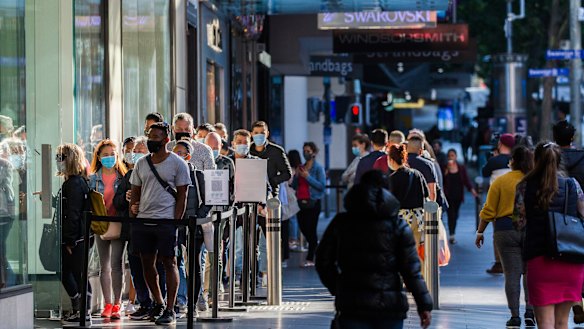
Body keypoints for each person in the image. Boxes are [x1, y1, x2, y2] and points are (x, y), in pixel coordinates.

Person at [316, 170, 433, 329]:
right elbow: (411, 270)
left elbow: (323, 260)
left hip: (352, 305)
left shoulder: (341, 222)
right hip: (390, 308)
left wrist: (337, 286)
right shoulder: (398, 226)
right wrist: (423, 305)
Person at [513, 142, 584, 329]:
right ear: (559, 161)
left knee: (545, 323)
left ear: (535, 160)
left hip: (540, 260)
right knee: (562, 323)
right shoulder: (572, 186)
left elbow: (519, 222)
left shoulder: (523, 187)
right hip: (570, 260)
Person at [129, 122, 191, 325]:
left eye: (155, 136)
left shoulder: (177, 164)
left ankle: (171, 308)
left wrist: (176, 221)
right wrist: (133, 209)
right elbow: (135, 191)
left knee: (169, 262)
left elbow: (182, 195)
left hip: (166, 221)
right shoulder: (141, 164)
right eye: (149, 135)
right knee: (147, 263)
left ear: (166, 140)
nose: (151, 140)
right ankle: (159, 302)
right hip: (144, 220)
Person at [476, 146, 535, 328]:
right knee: (529, 273)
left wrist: (480, 231)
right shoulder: (534, 181)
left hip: (504, 230)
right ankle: (530, 313)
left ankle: (515, 316)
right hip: (531, 230)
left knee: (511, 274)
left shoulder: (501, 182)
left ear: (513, 161)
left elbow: (489, 209)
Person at [88, 139, 128, 319]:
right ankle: (107, 303)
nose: (109, 158)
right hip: (100, 224)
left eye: (112, 154)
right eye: (105, 155)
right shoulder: (92, 178)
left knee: (116, 264)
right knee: (104, 266)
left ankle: (118, 303)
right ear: (98, 156)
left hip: (118, 223)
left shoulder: (123, 177)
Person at [113, 137, 152, 320]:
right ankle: (144, 302)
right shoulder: (129, 175)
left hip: (154, 228)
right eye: (134, 150)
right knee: (135, 267)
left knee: (154, 267)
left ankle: (159, 302)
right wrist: (126, 198)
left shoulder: (156, 173)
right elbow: (117, 201)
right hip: (133, 230)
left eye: (140, 150)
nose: (135, 154)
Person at [55, 143, 92, 323]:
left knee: (75, 272)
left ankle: (82, 309)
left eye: (61, 157)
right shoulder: (73, 182)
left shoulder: (75, 183)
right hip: (76, 236)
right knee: (67, 270)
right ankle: (79, 307)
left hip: (76, 238)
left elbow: (74, 213)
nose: (58, 161)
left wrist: (69, 240)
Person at [552, 121, 584, 323]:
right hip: (581, 215)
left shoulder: (551, 159)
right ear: (572, 138)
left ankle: (574, 303)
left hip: (557, 219)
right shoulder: (583, 157)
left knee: (563, 262)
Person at [229, 129, 261, 283]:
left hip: (249, 210)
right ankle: (228, 276)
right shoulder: (226, 162)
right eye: (239, 142)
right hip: (229, 210)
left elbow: (264, 186)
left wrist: (263, 203)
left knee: (250, 245)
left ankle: (250, 277)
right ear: (233, 144)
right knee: (227, 244)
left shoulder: (256, 163)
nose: (242, 145)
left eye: (245, 143)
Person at [482, 133, 515, 275]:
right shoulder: (518, 160)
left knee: (498, 233)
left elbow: (484, 172)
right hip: (516, 201)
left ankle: (499, 262)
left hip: (498, 202)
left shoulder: (495, 161)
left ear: (500, 144)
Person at [387, 144, 429, 250]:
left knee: (400, 250)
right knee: (415, 250)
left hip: (400, 220)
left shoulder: (391, 179)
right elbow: (426, 195)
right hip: (417, 219)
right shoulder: (417, 174)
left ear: (391, 160)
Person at [291, 142, 326, 267]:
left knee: (311, 230)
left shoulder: (318, 168)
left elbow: (322, 186)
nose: (306, 153)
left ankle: (311, 257)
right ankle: (315, 247)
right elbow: (295, 186)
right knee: (303, 227)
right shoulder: (301, 167)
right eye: (304, 151)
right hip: (300, 201)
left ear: (314, 153)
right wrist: (296, 177)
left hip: (313, 202)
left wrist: (308, 177)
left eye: (308, 151)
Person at [443, 149, 477, 244]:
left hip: (458, 195)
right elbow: (441, 181)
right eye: (449, 156)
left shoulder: (461, 168)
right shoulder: (445, 167)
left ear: (456, 157)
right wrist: (446, 172)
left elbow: (466, 180)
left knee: (456, 215)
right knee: (451, 215)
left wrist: (472, 190)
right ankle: (452, 235)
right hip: (448, 195)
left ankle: (452, 232)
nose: (451, 157)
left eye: (453, 155)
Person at [250, 120, 292, 196]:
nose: (259, 135)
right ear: (251, 134)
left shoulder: (276, 151)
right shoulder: (247, 150)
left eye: (262, 133)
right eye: (256, 133)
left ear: (267, 134)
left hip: (271, 194)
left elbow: (287, 173)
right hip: (250, 194)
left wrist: (271, 181)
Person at [407, 135, 437, 202]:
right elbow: (432, 192)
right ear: (421, 151)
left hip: (402, 208)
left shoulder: (400, 162)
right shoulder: (428, 164)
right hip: (421, 207)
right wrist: (431, 210)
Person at [0, 157, 14, 290]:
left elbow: (9, 192)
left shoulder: (4, 165)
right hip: (5, 215)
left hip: (3, 216)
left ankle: (7, 281)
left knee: (1, 251)